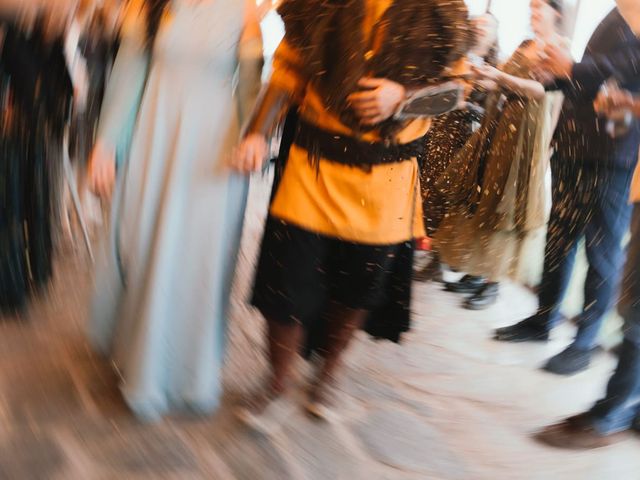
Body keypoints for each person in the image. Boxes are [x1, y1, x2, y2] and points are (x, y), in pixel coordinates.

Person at [232, 0, 470, 423]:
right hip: (313, 166)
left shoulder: (443, 10)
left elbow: (456, 92)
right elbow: (289, 70)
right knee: (285, 282)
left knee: (357, 287)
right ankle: (277, 382)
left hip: (388, 178)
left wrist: (403, 98)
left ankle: (329, 376)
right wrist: (256, 133)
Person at [87, 0, 263, 421]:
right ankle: (142, 365)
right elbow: (128, 77)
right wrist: (107, 143)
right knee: (145, 243)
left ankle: (190, 375)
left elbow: (251, 92)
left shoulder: (246, 12)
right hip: (155, 139)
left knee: (195, 261)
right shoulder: (147, 6)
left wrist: (254, 138)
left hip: (213, 157)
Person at [495, 3, 640, 376]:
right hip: (574, 145)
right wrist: (556, 77)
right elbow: (596, 76)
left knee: (601, 252)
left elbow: (629, 67)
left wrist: (570, 67)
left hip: (612, 151)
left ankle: (585, 343)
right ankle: (542, 320)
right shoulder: (617, 12)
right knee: (558, 238)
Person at [433, 0, 565, 311]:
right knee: (485, 194)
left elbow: (541, 92)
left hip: (525, 135)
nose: (533, 14)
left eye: (539, 8)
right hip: (500, 124)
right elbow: (500, 80)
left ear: (555, 13)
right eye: (531, 8)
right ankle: (479, 270)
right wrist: (478, 74)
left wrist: (501, 79)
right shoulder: (525, 44)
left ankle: (493, 283)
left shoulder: (560, 48)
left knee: (507, 201)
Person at [536, 82, 640, 448]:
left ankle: (610, 413)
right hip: (623, 168)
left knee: (635, 308)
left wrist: (630, 105)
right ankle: (626, 407)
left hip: (618, 166)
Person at [414, 12, 499, 284]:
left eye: (487, 25)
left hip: (467, 141)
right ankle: (422, 247)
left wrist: (468, 106)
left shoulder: (494, 68)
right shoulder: (454, 55)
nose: (480, 27)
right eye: (477, 23)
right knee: (429, 193)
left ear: (495, 34)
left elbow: (492, 109)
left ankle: (440, 259)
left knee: (452, 201)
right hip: (439, 132)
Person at [0, 3, 75, 313]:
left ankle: (18, 282)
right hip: (27, 123)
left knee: (17, 203)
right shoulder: (22, 26)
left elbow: (64, 88)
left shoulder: (36, 30)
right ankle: (19, 281)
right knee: (17, 203)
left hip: (30, 127)